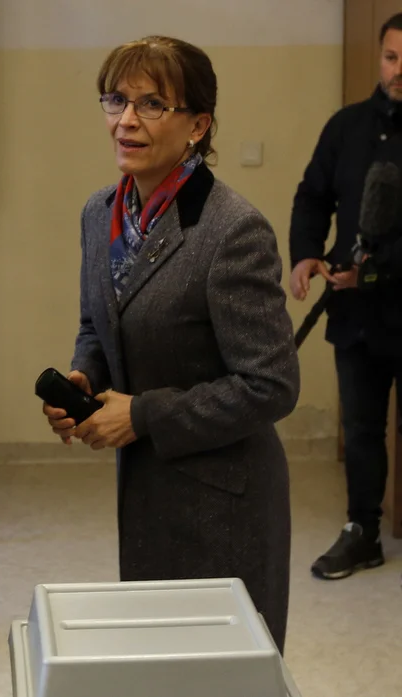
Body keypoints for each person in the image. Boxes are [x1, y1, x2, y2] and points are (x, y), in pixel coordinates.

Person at [42, 36, 300, 651]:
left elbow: (272, 386)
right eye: (115, 100)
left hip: (225, 501)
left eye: (152, 104)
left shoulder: (232, 230)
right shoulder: (99, 211)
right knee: (157, 664)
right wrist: (86, 375)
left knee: (223, 677)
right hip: (147, 490)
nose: (126, 120)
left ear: (198, 125)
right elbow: (96, 322)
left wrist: (143, 413)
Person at [289, 12, 402, 582]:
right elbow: (312, 196)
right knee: (360, 427)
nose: (399, 70)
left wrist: (376, 274)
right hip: (356, 316)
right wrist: (307, 253)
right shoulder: (347, 127)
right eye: (391, 57)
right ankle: (363, 531)